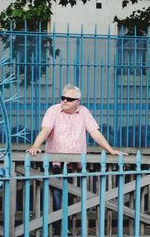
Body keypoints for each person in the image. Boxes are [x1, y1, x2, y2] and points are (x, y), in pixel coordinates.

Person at [26, 83, 126, 234]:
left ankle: (64, 228)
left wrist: (110, 150)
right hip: (55, 164)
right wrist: (35, 146)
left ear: (78, 101)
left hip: (76, 165)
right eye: (63, 97)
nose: (65, 101)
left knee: (71, 198)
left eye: (69, 99)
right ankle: (59, 229)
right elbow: (45, 130)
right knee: (56, 198)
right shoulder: (53, 110)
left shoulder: (84, 112)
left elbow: (95, 132)